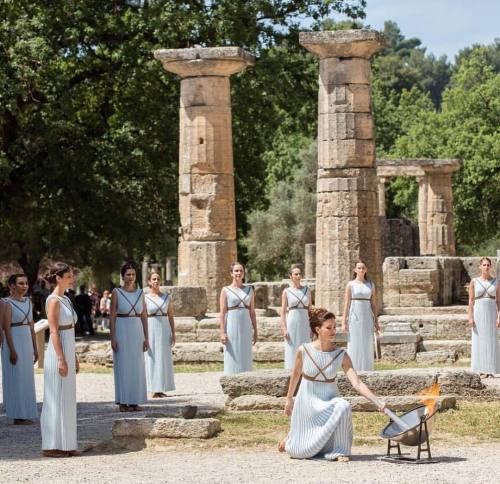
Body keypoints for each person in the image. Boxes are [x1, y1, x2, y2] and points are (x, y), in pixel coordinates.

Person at [279, 308, 386, 461]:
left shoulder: (341, 355)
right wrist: (289, 400)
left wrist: (378, 402)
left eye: (334, 327)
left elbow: (357, 383)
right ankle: (291, 441)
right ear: (318, 329)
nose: (333, 330)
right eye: (328, 327)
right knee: (298, 453)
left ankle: (339, 451)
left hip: (328, 401)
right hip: (307, 403)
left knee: (343, 406)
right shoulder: (304, 350)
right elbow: (295, 376)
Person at [40, 262, 80, 458]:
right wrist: (61, 359)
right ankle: (51, 445)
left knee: (67, 398)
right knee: (55, 397)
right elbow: (54, 331)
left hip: (68, 349)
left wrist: (74, 357)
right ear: (58, 278)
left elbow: (70, 329)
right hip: (58, 353)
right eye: (68, 276)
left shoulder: (67, 299)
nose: (72, 279)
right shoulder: (53, 300)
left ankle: (67, 443)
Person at [110, 261, 149, 412]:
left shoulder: (140, 293)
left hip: (136, 330)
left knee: (137, 366)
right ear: (122, 276)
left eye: (133, 274)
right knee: (123, 365)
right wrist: (112, 337)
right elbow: (112, 316)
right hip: (122, 328)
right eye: (128, 275)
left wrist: (146, 337)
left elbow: (144, 316)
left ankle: (134, 400)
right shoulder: (116, 292)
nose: (131, 277)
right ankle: (123, 401)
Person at [1, 274, 38, 424]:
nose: (24, 286)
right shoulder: (5, 303)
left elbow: (32, 327)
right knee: (16, 379)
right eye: (20, 283)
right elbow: (6, 328)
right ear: (11, 286)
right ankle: (17, 415)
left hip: (27, 341)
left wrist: (35, 349)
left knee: (27, 379)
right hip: (14, 341)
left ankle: (26, 413)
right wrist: (12, 350)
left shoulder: (29, 302)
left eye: (26, 283)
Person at [219, 262, 258, 374]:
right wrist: (222, 332)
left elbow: (252, 312)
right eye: (236, 271)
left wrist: (255, 330)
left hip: (245, 325)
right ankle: (231, 379)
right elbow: (222, 313)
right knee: (233, 352)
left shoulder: (250, 290)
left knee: (245, 353)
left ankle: (246, 379)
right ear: (231, 273)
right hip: (231, 324)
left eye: (241, 271)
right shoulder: (225, 290)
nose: (239, 273)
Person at [342, 261, 380, 371]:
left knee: (367, 342)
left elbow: (373, 304)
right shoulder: (350, 285)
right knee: (354, 341)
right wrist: (344, 322)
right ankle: (353, 368)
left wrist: (376, 322)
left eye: (363, 268)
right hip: (354, 316)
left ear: (366, 270)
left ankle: (367, 368)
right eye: (359, 268)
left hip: (367, 316)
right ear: (355, 270)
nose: (361, 270)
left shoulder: (371, 285)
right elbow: (346, 303)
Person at [144, 272, 176, 398]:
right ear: (149, 282)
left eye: (158, 279)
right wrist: (144, 334)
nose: (156, 281)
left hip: (164, 328)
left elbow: (171, 316)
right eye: (153, 279)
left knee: (163, 358)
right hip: (151, 328)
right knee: (152, 357)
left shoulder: (166, 298)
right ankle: (153, 388)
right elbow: (143, 316)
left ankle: (161, 387)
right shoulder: (145, 298)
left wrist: (173, 333)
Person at [468, 257, 500, 378]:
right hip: (478, 312)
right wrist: (470, 317)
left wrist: (499, 317)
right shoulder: (474, 281)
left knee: (492, 340)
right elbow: (471, 301)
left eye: (488, 265)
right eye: (484, 265)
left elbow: (499, 302)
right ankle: (481, 369)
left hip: (491, 312)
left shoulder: (496, 281)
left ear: (491, 267)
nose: (486, 267)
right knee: (479, 339)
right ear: (480, 266)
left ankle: (491, 369)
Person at [280, 264, 311, 370]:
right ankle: (291, 371)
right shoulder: (286, 292)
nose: (298, 276)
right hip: (292, 321)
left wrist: (312, 326)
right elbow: (283, 312)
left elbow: (310, 310)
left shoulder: (307, 290)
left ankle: (306, 372)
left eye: (299, 274)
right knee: (292, 347)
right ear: (291, 276)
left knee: (305, 346)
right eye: (295, 274)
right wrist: (284, 328)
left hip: (305, 321)